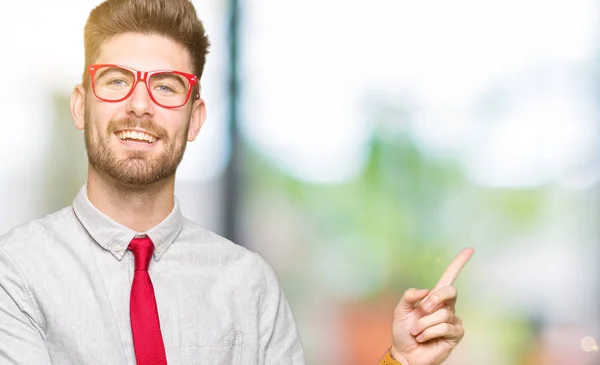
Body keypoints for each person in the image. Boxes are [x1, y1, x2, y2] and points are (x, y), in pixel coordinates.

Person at [0, 0, 473, 364]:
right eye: (117, 79)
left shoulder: (249, 285)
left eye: (165, 86)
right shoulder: (16, 272)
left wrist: (401, 360)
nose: (140, 105)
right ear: (82, 104)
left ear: (195, 118)